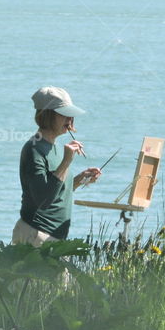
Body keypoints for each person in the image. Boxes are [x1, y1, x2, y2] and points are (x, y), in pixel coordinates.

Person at [12, 86, 101, 247]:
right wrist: (67, 161)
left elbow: (56, 191)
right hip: (36, 235)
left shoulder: (56, 148)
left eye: (71, 114)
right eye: (64, 114)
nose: (70, 119)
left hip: (52, 238)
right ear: (47, 116)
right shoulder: (34, 149)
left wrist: (81, 179)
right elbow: (43, 200)